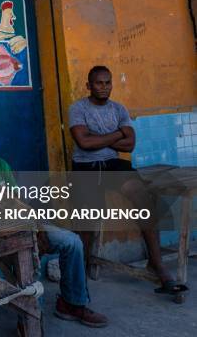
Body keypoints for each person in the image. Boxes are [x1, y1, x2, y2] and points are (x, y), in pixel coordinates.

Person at [0, 126, 108, 328]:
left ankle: (72, 303)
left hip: (24, 225)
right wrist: (28, 234)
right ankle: (30, 321)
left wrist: (38, 229)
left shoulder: (0, 165)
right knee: (29, 255)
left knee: (72, 242)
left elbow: (19, 202)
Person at [69, 65, 187, 295]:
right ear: (88, 86)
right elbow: (84, 143)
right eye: (98, 83)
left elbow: (129, 144)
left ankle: (156, 263)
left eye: (107, 83)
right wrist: (115, 135)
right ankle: (78, 275)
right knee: (86, 223)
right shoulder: (78, 108)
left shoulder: (119, 109)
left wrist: (98, 138)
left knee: (145, 200)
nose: (104, 88)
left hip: (113, 165)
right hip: (85, 167)